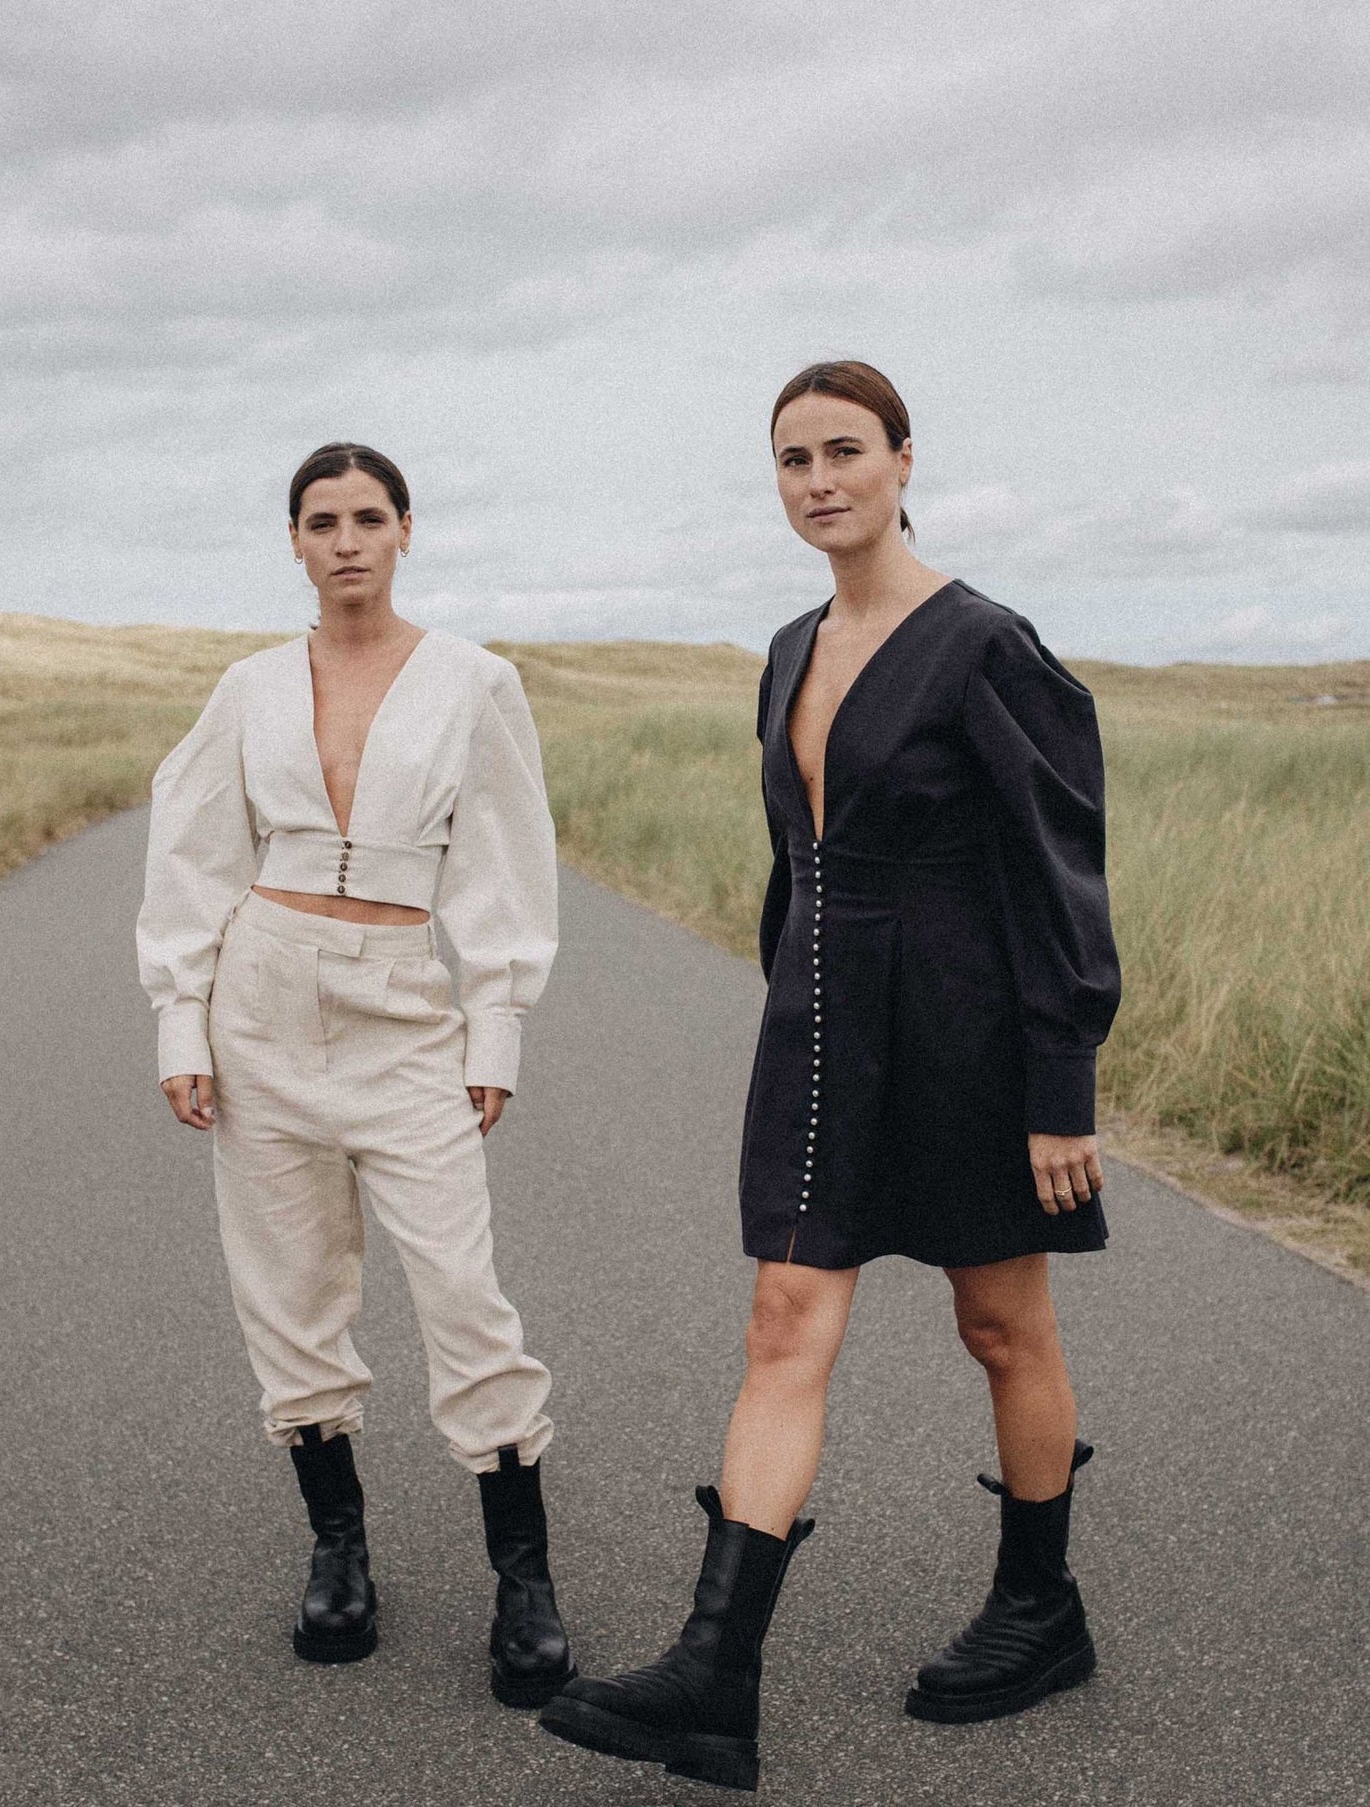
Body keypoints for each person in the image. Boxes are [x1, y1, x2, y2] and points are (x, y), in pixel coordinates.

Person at [540, 361, 1120, 1790]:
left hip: (966, 1034)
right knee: (783, 1317)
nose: (819, 480)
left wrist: (1059, 1079)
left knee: (1001, 1324)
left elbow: (1057, 870)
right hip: (820, 1030)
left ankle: (1039, 1606)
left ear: (904, 460)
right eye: (793, 458)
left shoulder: (985, 646)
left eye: (845, 450)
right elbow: (793, 856)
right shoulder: (790, 646)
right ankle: (713, 1673)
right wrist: (785, 986)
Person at [136, 442, 573, 1706]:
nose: (345, 542)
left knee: (463, 1292)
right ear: (293, 540)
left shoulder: (473, 682)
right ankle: (339, 1551)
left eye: (367, 518)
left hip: (401, 1014)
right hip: (261, 1006)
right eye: (321, 521)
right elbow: (194, 852)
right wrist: (181, 1021)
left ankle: (524, 1579)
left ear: (404, 531)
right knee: (289, 1291)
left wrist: (493, 1026)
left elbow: (504, 864)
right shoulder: (250, 687)